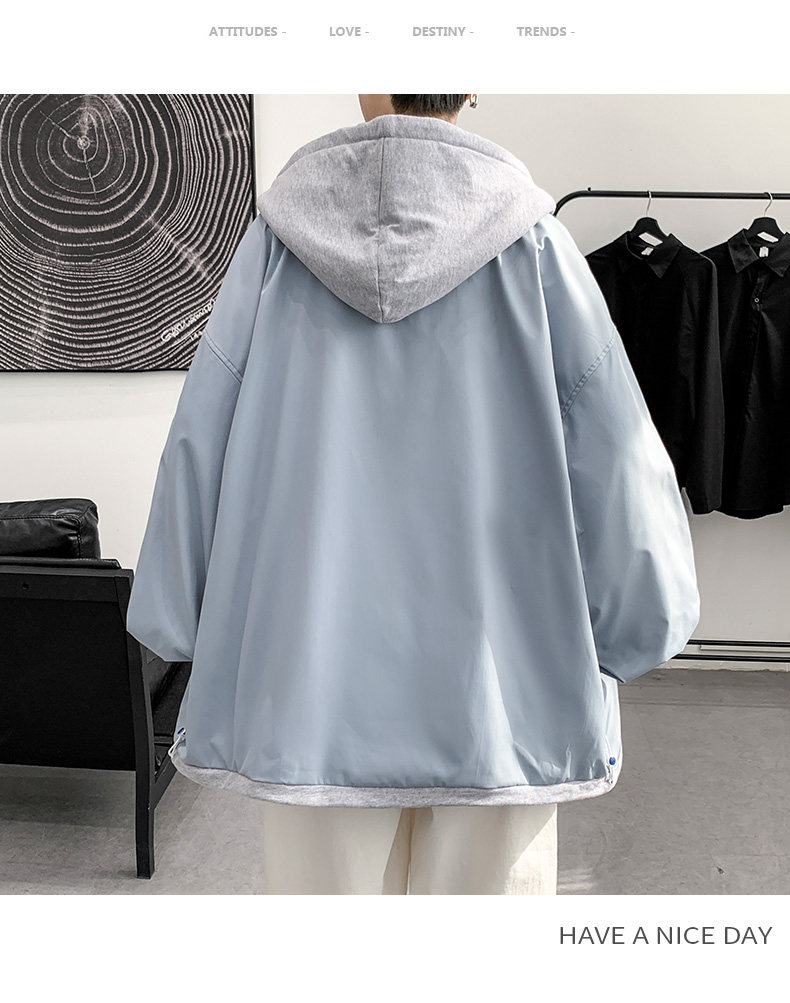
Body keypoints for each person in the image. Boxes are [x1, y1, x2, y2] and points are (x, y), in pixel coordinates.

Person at [126, 94, 700, 894]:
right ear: (472, 89)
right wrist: (637, 625)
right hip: (501, 693)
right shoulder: (536, 246)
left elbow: (201, 435)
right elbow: (618, 454)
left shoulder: (274, 249)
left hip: (312, 689)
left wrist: (179, 618)